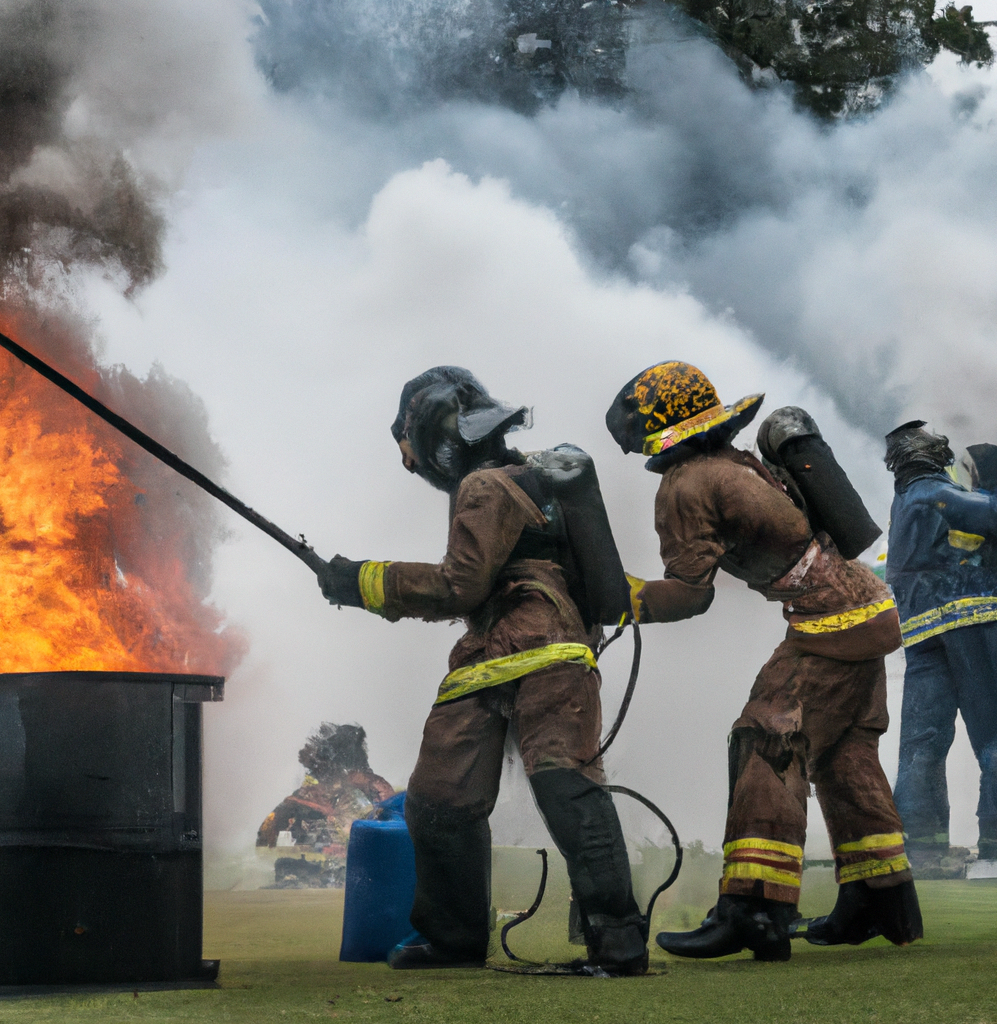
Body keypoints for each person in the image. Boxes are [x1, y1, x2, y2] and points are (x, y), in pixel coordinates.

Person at [317, 366, 647, 974]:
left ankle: (604, 941)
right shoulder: (529, 478)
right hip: (517, 654)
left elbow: (459, 586)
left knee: (556, 786)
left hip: (530, 649)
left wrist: (360, 580)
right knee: (442, 794)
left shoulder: (487, 487)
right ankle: (465, 940)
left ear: (439, 439)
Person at [605, 361, 922, 961]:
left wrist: (617, 596)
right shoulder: (741, 462)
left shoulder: (686, 484)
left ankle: (755, 910)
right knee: (844, 753)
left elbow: (690, 594)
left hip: (828, 623)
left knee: (767, 739)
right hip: (868, 608)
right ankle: (881, 897)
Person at [885, 422, 997, 864]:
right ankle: (994, 839)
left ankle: (922, 846)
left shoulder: (902, 501)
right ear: (930, 454)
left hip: (920, 631)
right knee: (993, 734)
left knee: (922, 742)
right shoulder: (935, 493)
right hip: (972, 619)